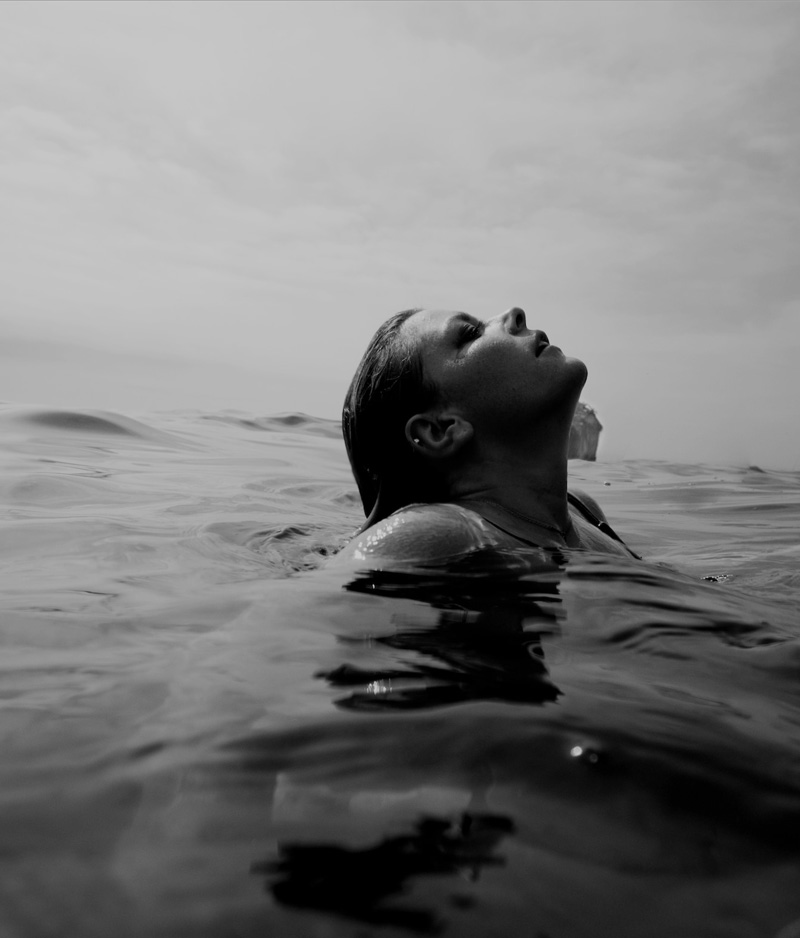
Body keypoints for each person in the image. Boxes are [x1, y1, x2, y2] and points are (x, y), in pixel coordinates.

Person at [337, 307, 639, 566]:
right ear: (439, 430)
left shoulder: (581, 510)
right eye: (471, 333)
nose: (515, 314)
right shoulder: (437, 532)